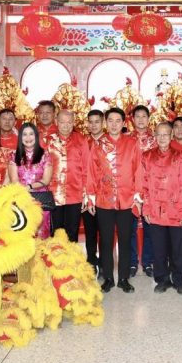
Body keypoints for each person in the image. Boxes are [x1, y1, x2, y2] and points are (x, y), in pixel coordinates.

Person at [87, 108, 143, 294]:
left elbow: (138, 170)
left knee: (125, 240)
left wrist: (138, 196)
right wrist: (91, 198)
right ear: (106, 122)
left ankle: (124, 278)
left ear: (123, 123)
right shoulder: (98, 145)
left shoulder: (132, 143)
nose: (114, 124)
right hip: (104, 200)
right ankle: (109, 278)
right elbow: (92, 172)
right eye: (110, 120)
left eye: (118, 120)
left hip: (127, 199)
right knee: (106, 241)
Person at [142, 122, 182, 294]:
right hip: (155, 210)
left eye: (166, 134)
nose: (162, 138)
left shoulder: (181, 156)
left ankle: (179, 280)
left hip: (176, 210)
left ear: (171, 136)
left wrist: (181, 208)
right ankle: (162, 279)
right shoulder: (147, 156)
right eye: (159, 134)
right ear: (155, 136)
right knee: (159, 248)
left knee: (178, 248)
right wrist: (146, 208)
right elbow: (144, 185)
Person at [46, 109, 90, 242]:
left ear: (73, 123)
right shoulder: (48, 141)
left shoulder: (81, 140)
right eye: (62, 122)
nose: (66, 125)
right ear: (56, 122)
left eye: (69, 122)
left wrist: (86, 194)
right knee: (56, 233)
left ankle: (72, 256)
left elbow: (86, 168)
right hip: (53, 194)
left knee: (72, 233)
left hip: (75, 194)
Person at [8, 123, 55, 238]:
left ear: (36, 136)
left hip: (40, 201)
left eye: (31, 134)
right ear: (20, 137)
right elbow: (14, 180)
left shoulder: (45, 155)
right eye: (24, 134)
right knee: (24, 234)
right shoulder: (13, 155)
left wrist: (29, 187)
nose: (28, 138)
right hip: (21, 199)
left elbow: (46, 180)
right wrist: (24, 194)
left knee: (42, 235)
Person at [129, 105, 155, 277]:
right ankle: (132, 262)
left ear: (148, 119)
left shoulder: (156, 140)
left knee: (150, 228)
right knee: (130, 229)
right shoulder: (126, 139)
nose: (140, 119)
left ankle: (148, 262)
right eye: (137, 116)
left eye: (143, 116)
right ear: (132, 119)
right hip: (130, 191)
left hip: (151, 190)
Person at [83, 110, 105, 271]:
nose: (94, 125)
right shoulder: (83, 142)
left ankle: (105, 263)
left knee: (105, 231)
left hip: (105, 194)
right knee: (90, 230)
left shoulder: (109, 142)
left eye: (97, 121)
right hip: (86, 193)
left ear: (103, 123)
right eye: (91, 122)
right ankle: (91, 260)